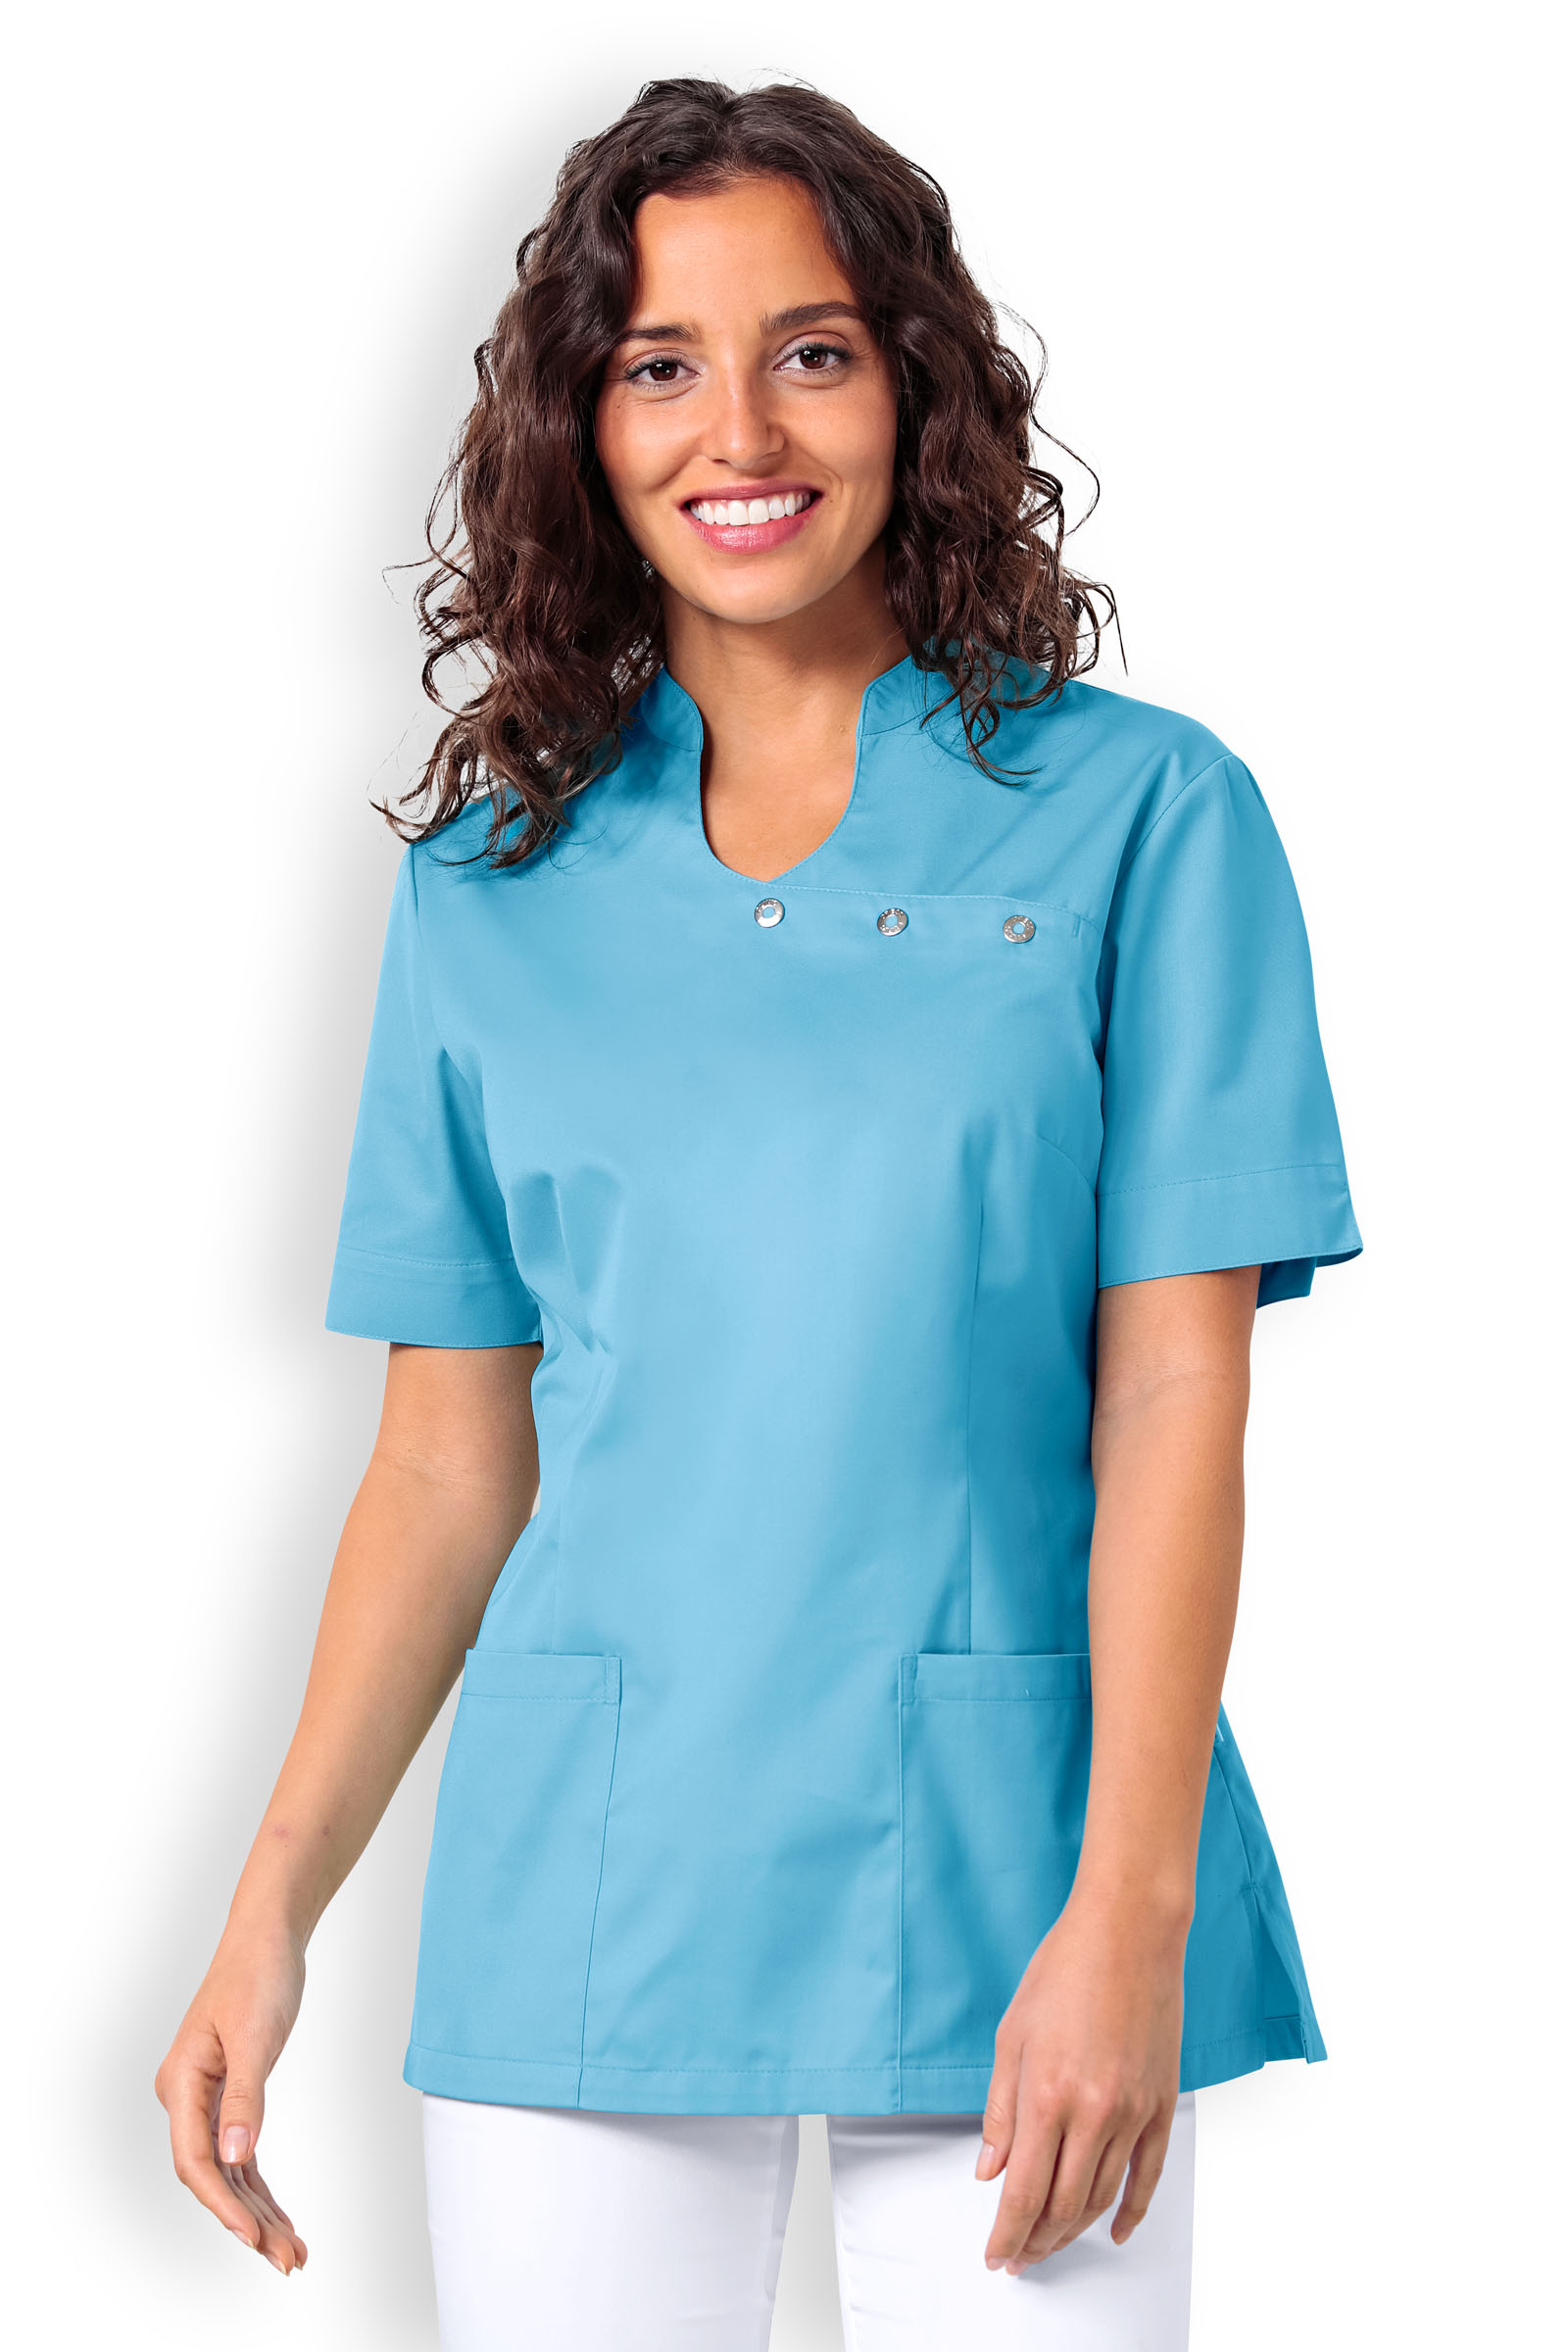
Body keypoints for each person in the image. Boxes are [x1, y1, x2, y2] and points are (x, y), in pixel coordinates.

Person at [154, 75, 1362, 2352]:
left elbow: (1171, 1401)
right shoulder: (490, 888)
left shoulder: (1140, 819)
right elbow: (445, 1462)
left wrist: (1131, 1908)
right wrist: (271, 1904)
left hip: (1014, 1867)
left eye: (809, 351)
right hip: (586, 1891)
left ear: (912, 386)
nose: (740, 431)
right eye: (658, 364)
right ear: (580, 428)